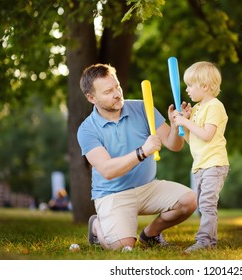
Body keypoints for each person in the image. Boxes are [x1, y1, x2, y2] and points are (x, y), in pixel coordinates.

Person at [77, 63, 196, 251]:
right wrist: (142, 152)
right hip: (113, 194)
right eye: (108, 91)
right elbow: (108, 170)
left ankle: (150, 235)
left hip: (148, 187)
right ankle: (97, 225)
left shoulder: (142, 108)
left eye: (117, 86)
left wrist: (175, 127)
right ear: (92, 98)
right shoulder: (87, 129)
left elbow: (174, 145)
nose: (117, 93)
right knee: (123, 247)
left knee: (189, 200)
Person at [173, 61, 230, 253]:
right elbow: (192, 140)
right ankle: (207, 242)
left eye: (190, 85)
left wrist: (186, 122)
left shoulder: (215, 106)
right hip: (200, 165)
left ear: (204, 86)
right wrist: (184, 122)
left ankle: (205, 242)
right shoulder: (197, 109)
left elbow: (207, 135)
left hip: (214, 164)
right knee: (202, 205)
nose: (187, 90)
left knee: (207, 204)